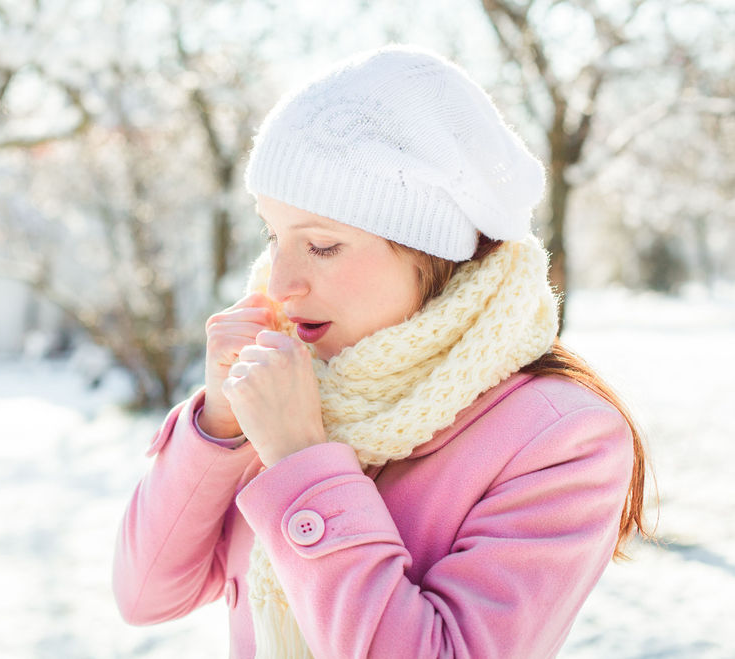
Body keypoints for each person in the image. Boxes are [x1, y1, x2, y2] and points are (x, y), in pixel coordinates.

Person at [112, 45, 649, 659]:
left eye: (321, 246)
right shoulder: (295, 380)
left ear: (429, 253)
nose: (279, 282)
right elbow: (147, 596)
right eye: (274, 236)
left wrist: (301, 461)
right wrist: (219, 425)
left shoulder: (562, 440)